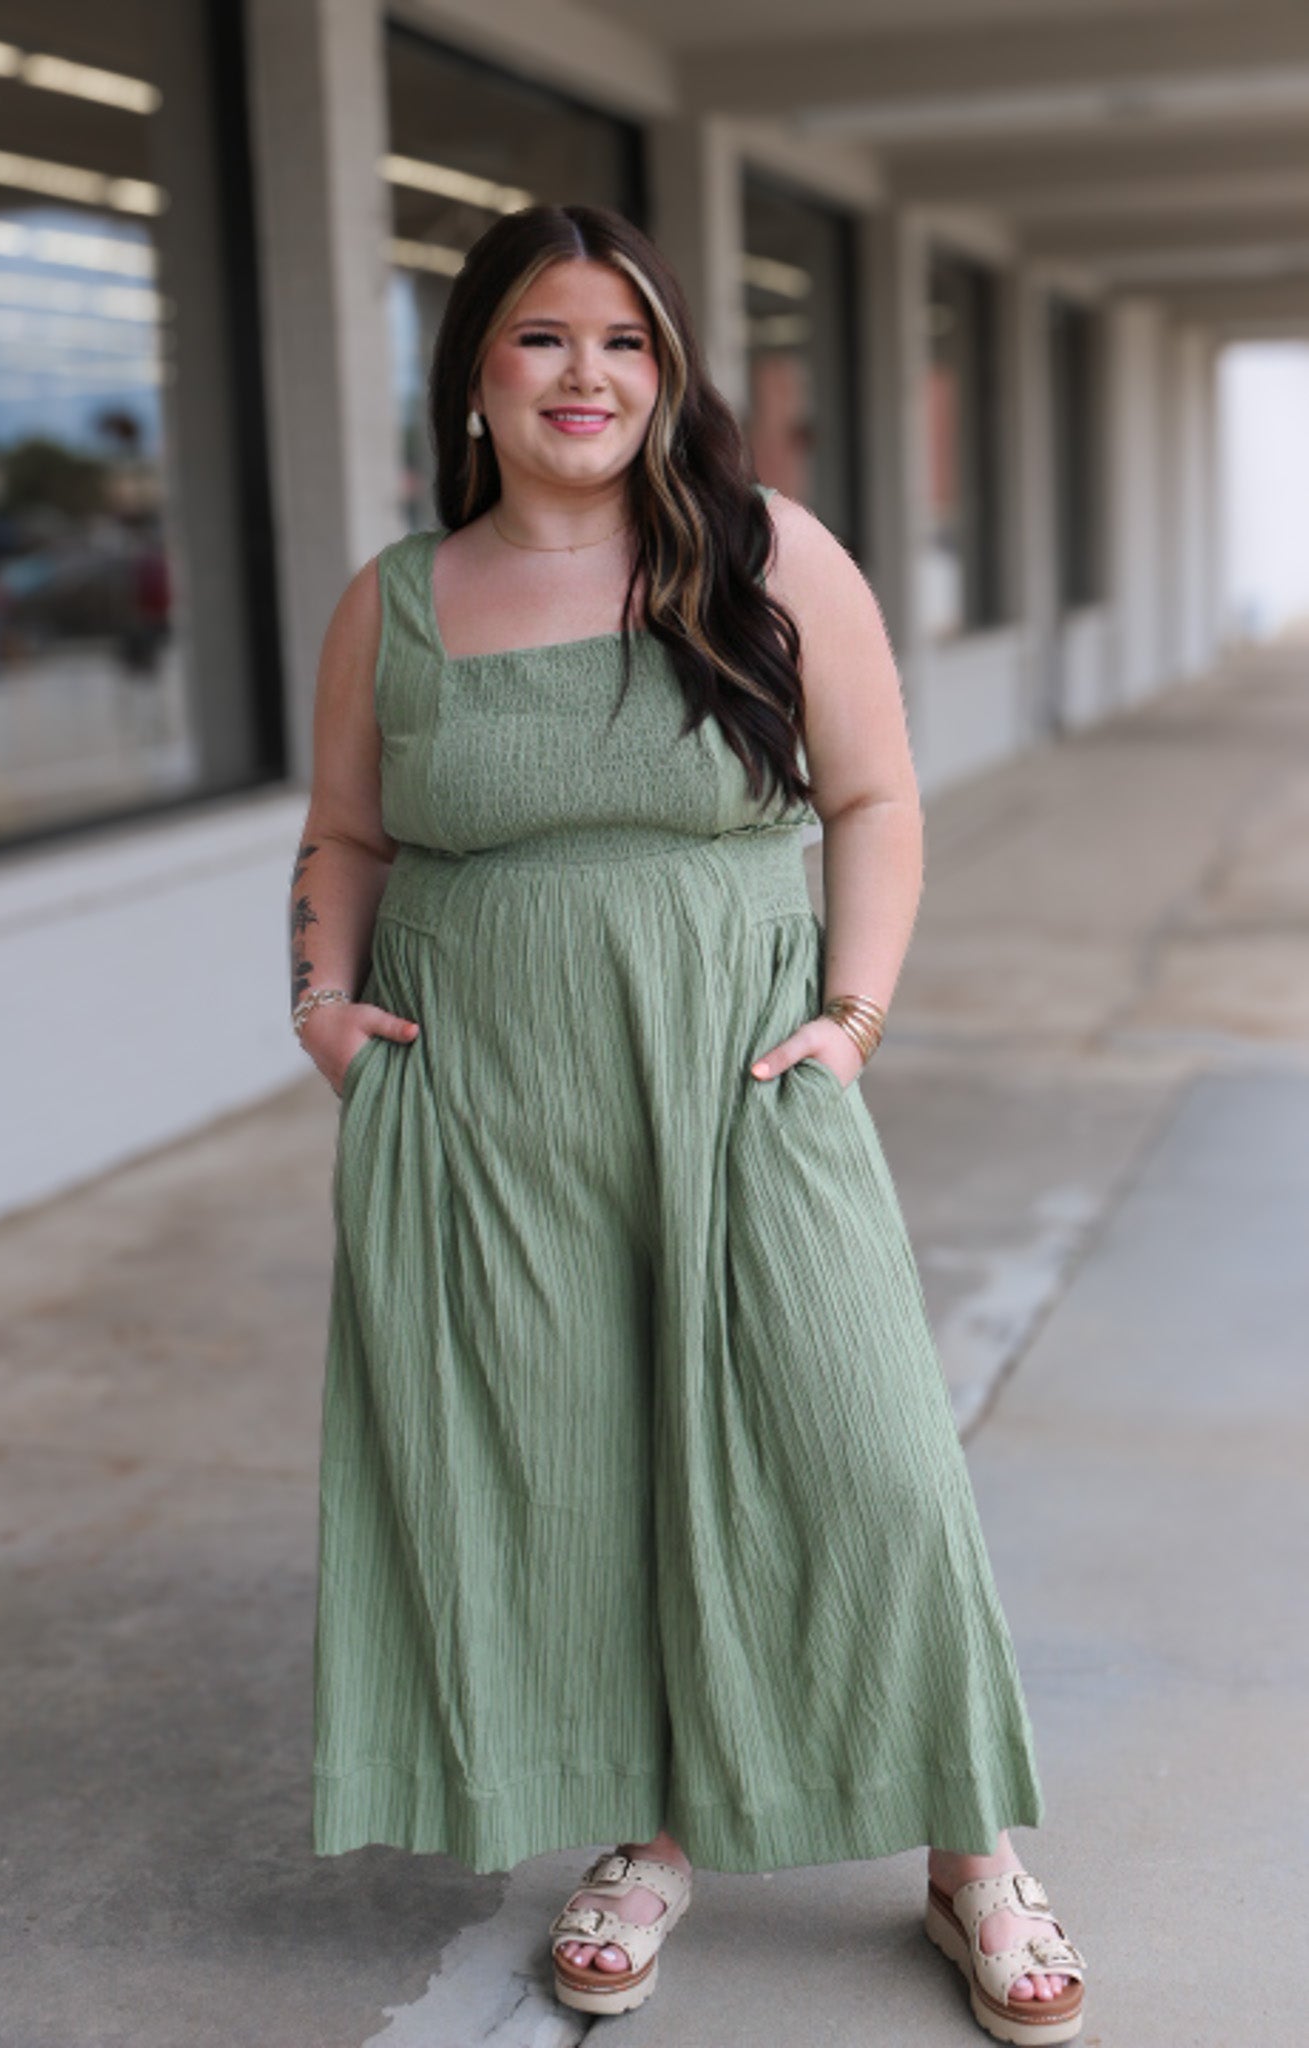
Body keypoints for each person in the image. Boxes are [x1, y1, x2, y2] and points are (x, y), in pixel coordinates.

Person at [290, 203, 1087, 2046]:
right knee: (578, 1474)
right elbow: (344, 831)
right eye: (542, 337)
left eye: (624, 340)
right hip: (487, 1106)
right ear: (475, 374)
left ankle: (968, 1850)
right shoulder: (395, 599)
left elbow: (874, 798)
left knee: (865, 1453)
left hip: (741, 1078)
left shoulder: (765, 553)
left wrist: (850, 1021)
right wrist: (321, 1009)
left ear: (667, 373)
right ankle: (651, 1839)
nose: (585, 375)